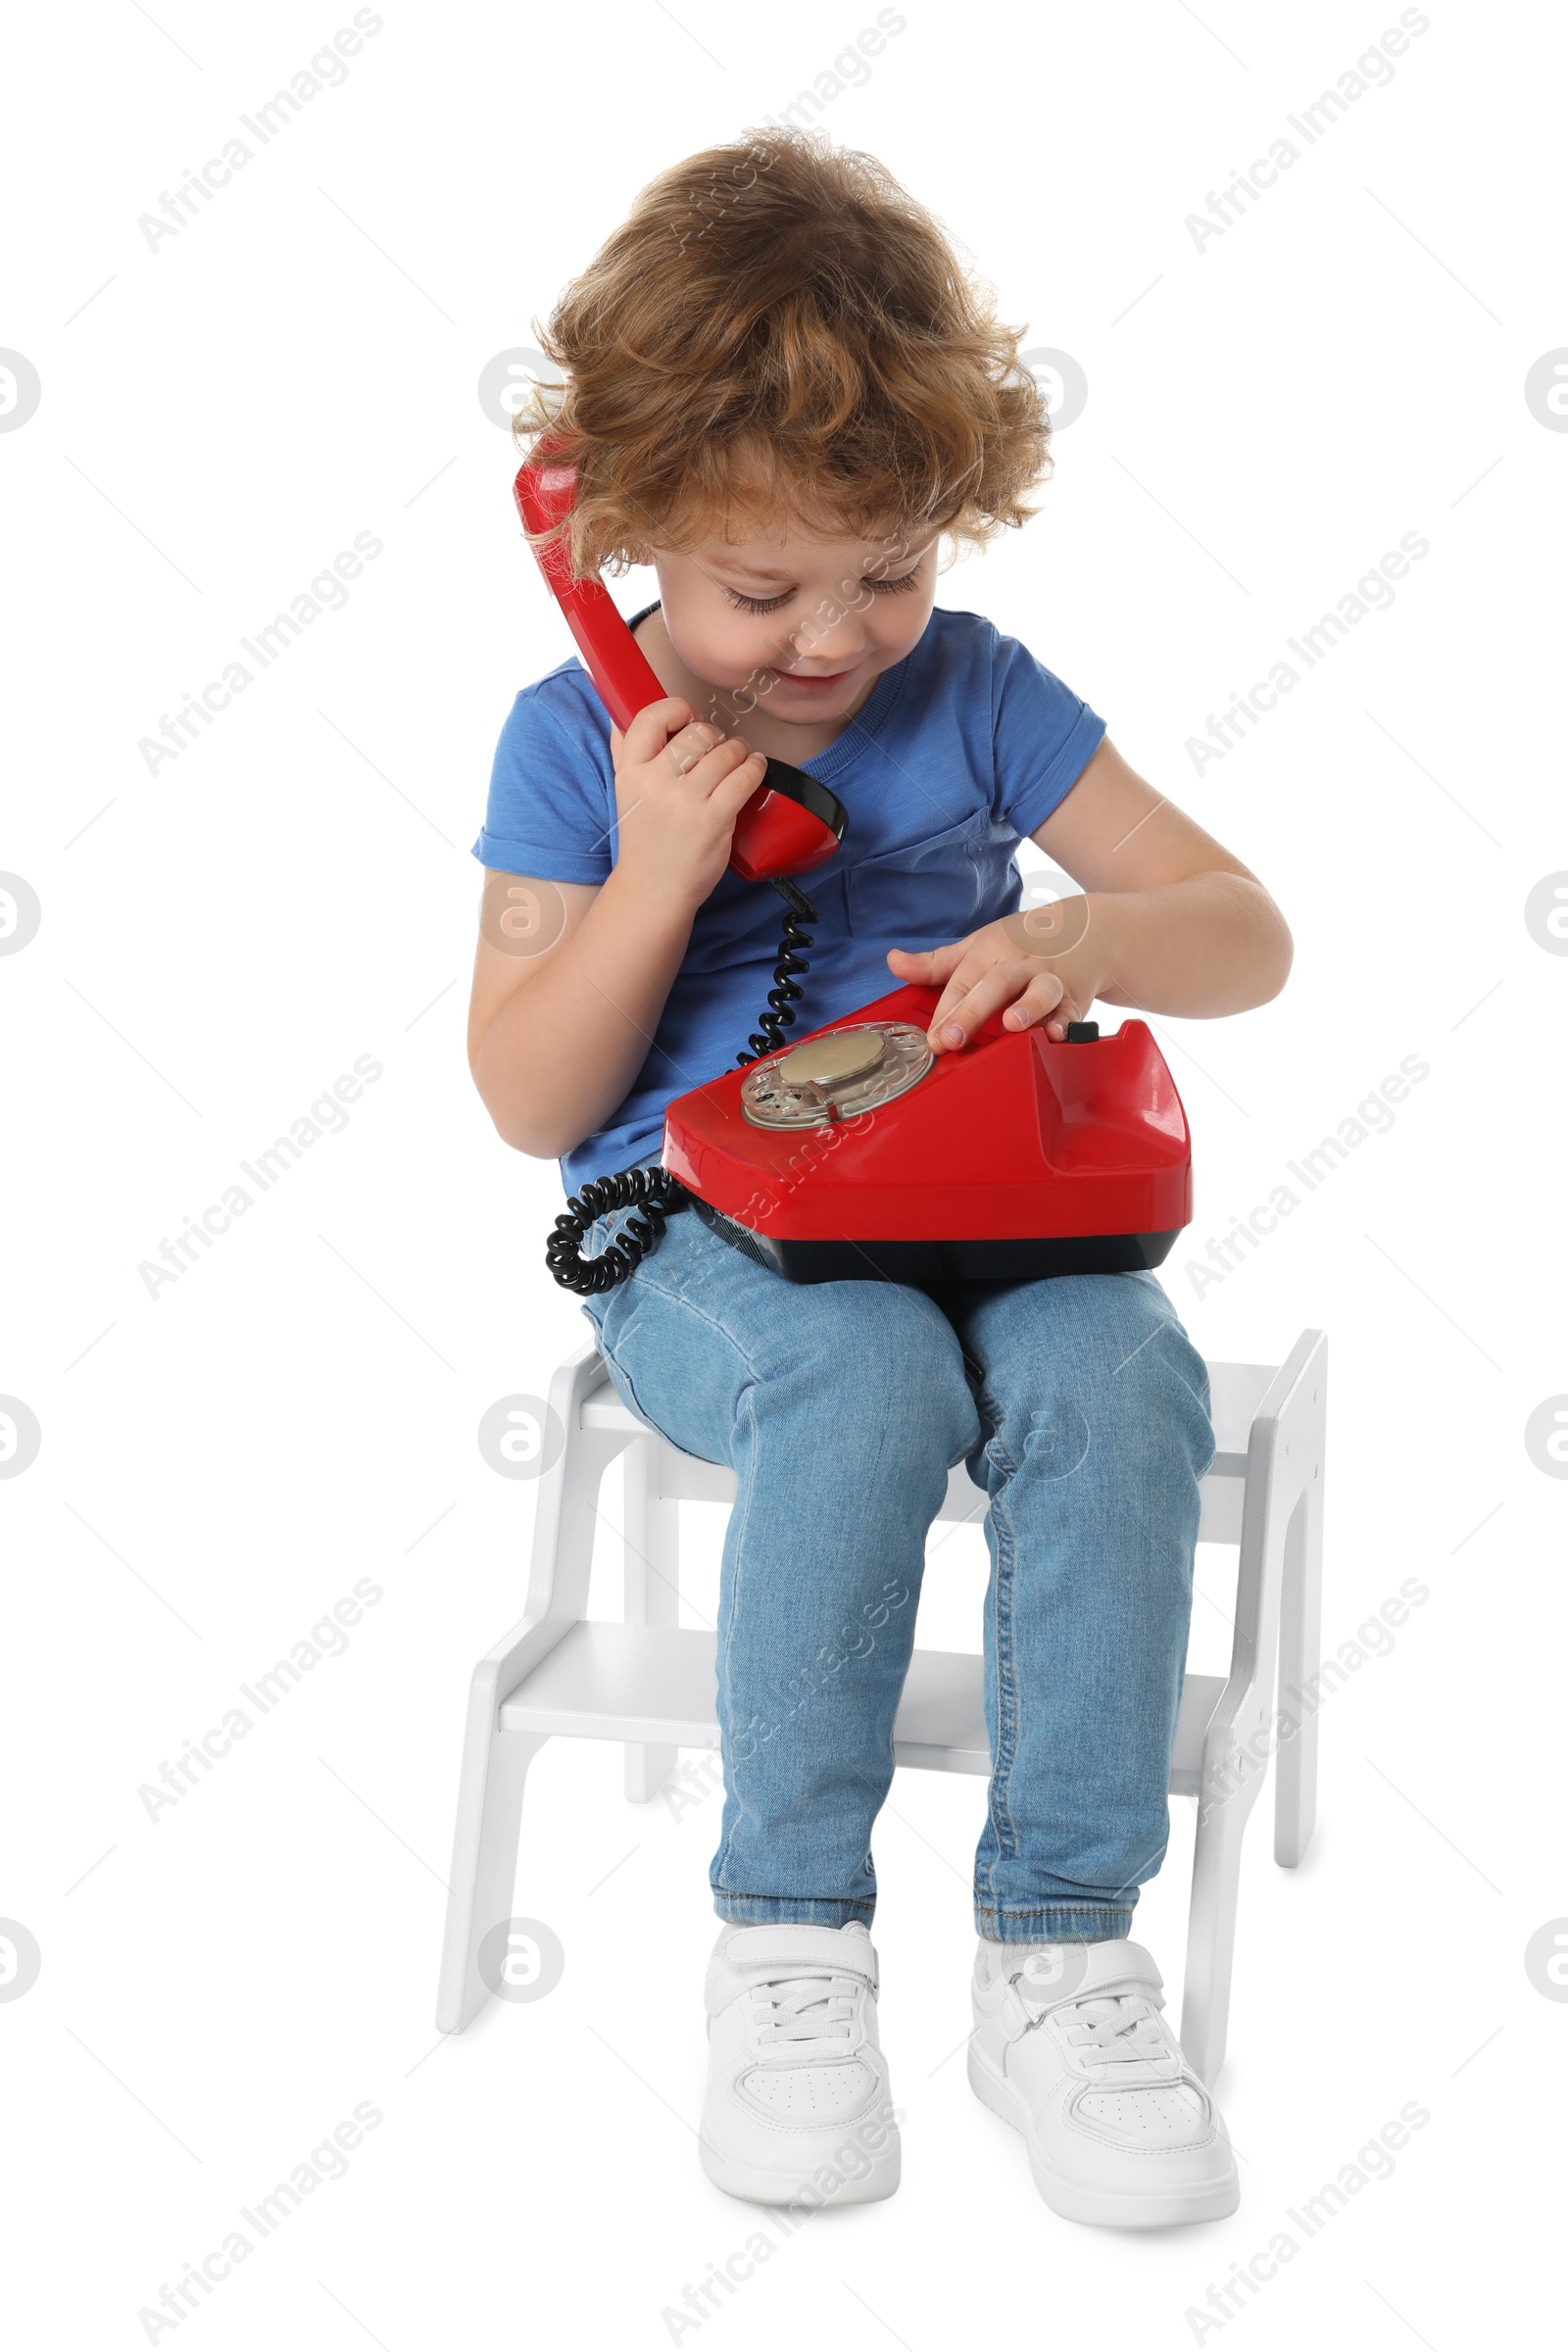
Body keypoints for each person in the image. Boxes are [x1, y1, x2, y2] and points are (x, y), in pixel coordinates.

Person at [467, 127, 1292, 2230]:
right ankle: (792, 1944)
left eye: (890, 568)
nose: (834, 636)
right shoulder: (575, 740)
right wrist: (659, 874)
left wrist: (1084, 939)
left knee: (1115, 1372)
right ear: (622, 528)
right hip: (709, 1239)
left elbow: (1244, 931)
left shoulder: (979, 696)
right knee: (863, 1377)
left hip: (987, 1201)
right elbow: (519, 1087)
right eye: (760, 590)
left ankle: (1056, 1952)